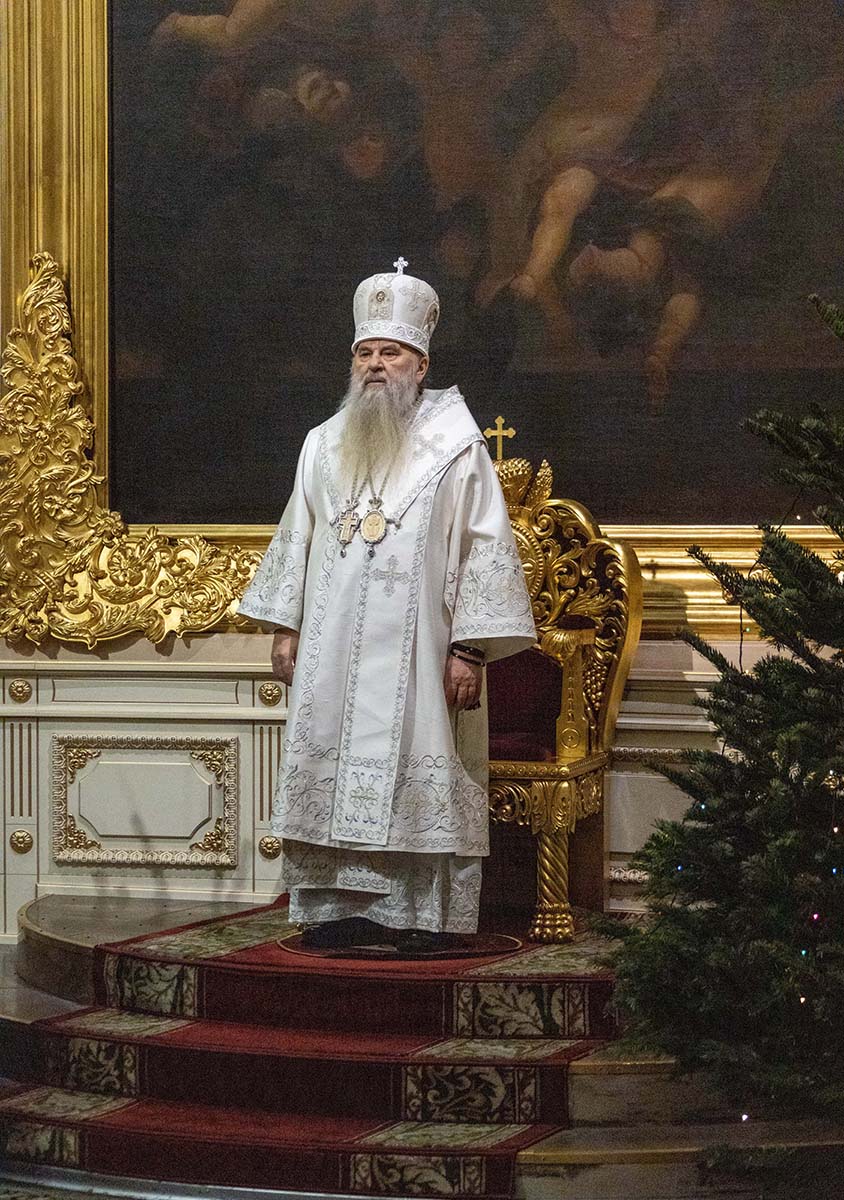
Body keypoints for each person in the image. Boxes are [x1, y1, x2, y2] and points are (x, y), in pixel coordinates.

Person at [238, 260, 536, 952]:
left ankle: (421, 918)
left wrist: (470, 650)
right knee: (330, 763)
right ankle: (335, 912)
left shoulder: (458, 448)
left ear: (420, 365)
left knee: (418, 772)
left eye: (391, 352)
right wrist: (285, 626)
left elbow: (485, 547)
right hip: (332, 653)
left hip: (424, 656)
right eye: (365, 352)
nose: (375, 364)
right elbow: (297, 534)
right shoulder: (322, 444)